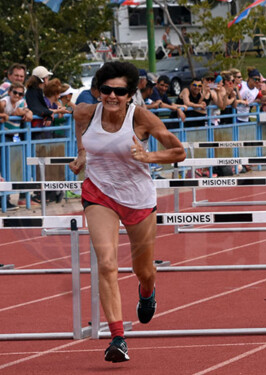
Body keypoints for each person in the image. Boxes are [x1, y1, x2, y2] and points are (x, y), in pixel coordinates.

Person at [68, 61, 185, 363]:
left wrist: (148, 156)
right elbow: (81, 132)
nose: (111, 96)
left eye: (119, 91)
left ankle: (147, 292)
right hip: (99, 194)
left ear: (130, 94)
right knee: (106, 263)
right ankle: (118, 338)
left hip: (137, 200)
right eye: (106, 90)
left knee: (142, 271)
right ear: (98, 90)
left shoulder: (141, 118)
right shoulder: (84, 113)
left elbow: (178, 151)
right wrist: (82, 155)